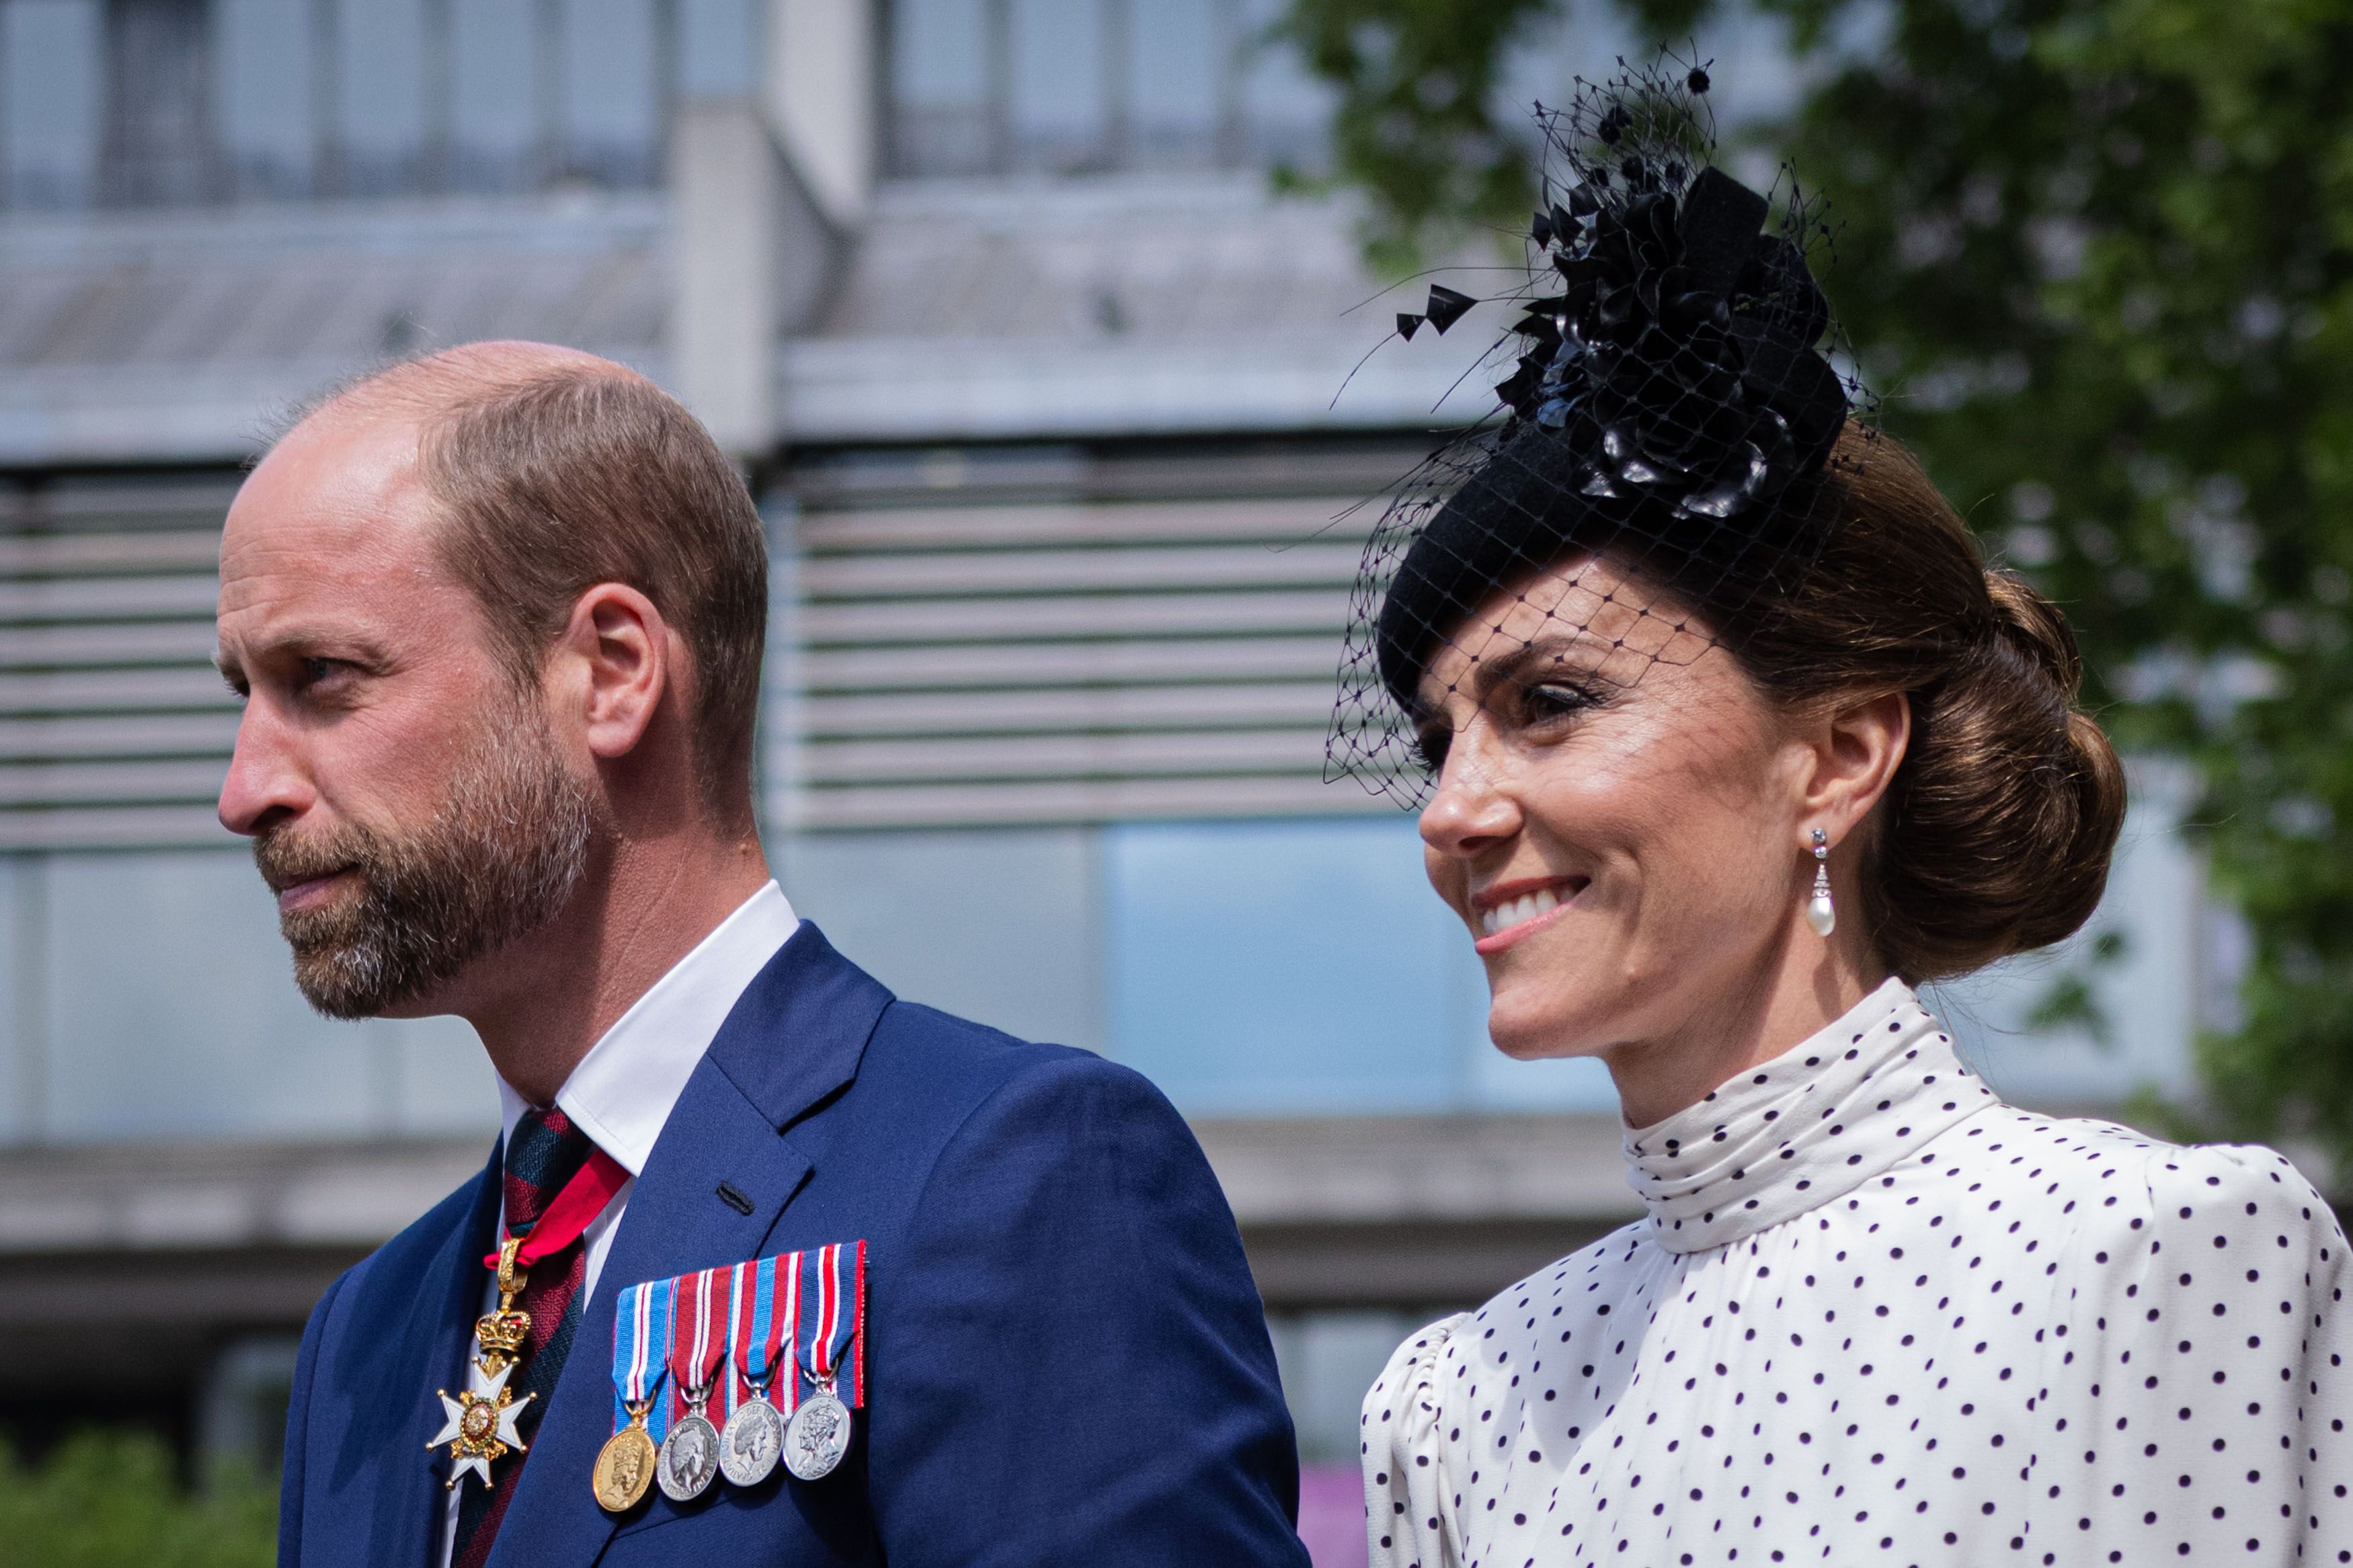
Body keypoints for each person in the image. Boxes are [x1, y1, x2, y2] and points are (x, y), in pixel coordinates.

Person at [1335, 69, 2351, 1566]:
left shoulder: (2153, 1252)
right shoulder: (1454, 1405)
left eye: (1548, 703)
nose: (1454, 809)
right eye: (1441, 738)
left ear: (1839, 754)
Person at [221, 341, 1311, 1568]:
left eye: (323, 677)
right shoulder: (365, 1336)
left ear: (612, 672)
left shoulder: (1014, 1178)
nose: (245, 787)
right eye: (242, 694)